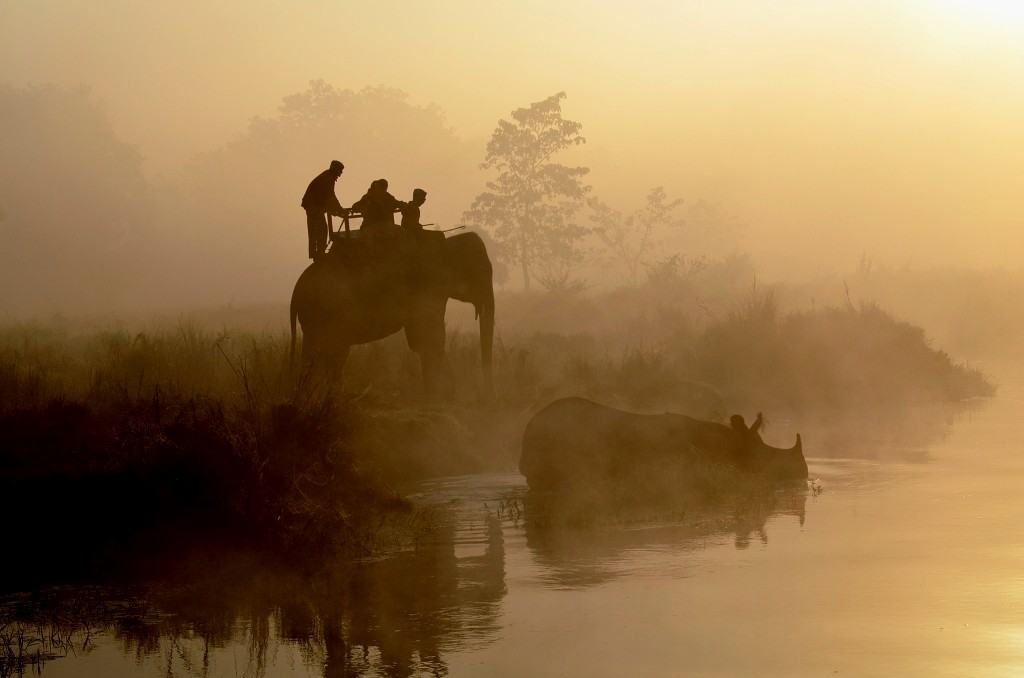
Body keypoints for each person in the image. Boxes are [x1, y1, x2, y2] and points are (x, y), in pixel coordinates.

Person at [300, 160, 346, 260]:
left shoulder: (327, 176)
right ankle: (319, 253)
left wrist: (334, 209)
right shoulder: (327, 178)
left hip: (314, 206)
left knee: (317, 230)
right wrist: (340, 209)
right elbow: (330, 196)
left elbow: (326, 196)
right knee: (321, 230)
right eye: (340, 170)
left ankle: (317, 253)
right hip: (313, 207)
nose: (341, 173)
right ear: (335, 169)